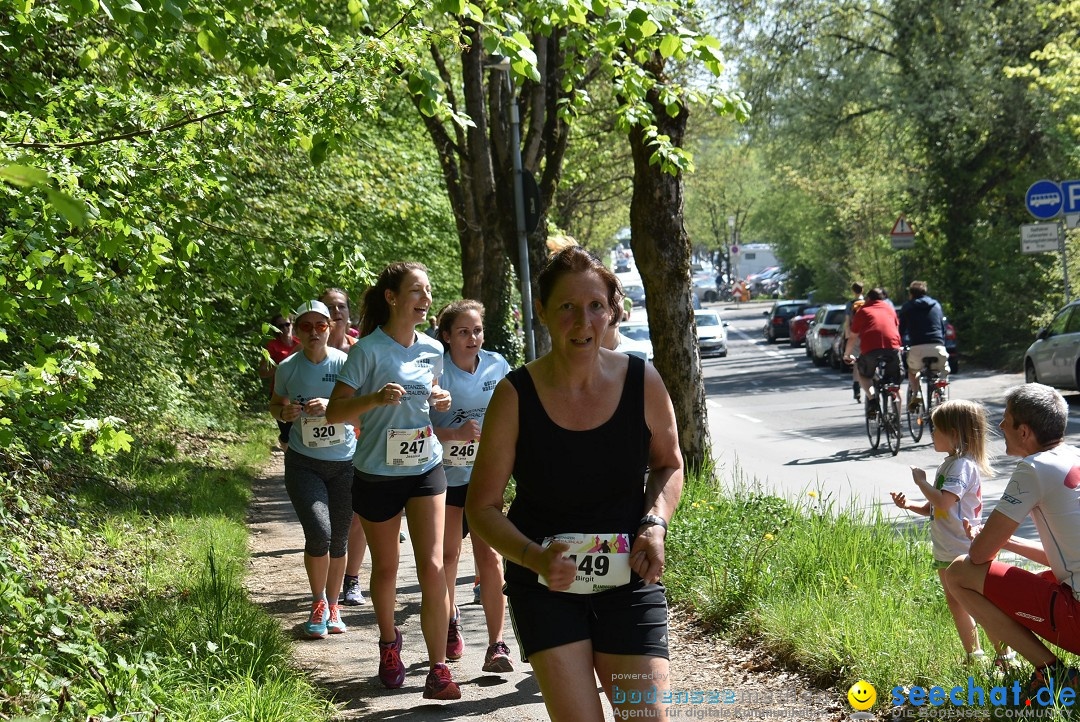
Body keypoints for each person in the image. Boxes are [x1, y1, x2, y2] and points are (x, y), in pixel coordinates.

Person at [467, 246, 684, 721]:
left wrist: (654, 524)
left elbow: (669, 464)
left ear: (611, 312)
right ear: (542, 311)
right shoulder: (514, 395)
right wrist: (533, 556)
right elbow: (480, 507)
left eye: (594, 306)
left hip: (628, 574)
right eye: (566, 306)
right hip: (545, 583)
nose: (582, 321)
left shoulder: (641, 380)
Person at [325, 262, 460, 700]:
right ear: (392, 297)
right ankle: (389, 643)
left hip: (425, 466)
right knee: (385, 567)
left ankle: (438, 668)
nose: (425, 299)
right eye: (417, 291)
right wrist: (374, 398)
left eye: (429, 291)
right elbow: (334, 413)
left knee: (433, 566)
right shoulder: (367, 351)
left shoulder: (432, 349)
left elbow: (429, 400)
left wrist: (441, 399)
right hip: (377, 473)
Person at [947, 384, 1080, 702]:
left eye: (1005, 419)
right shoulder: (1073, 456)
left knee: (959, 573)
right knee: (1042, 580)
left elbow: (979, 556)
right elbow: (1066, 558)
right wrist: (1009, 542)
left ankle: (1055, 674)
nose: (1000, 425)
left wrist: (989, 540)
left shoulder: (1034, 469)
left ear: (1024, 431)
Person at [890, 400, 1014, 668]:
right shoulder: (950, 464)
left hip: (965, 549)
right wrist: (910, 504)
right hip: (947, 549)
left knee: (980, 605)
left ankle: (1005, 656)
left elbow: (944, 502)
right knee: (957, 602)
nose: (931, 433)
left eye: (936, 428)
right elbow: (938, 506)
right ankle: (974, 656)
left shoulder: (961, 467)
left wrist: (921, 482)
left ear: (955, 433)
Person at [429, 300, 515, 673]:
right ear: (447, 336)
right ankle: (450, 619)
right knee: (448, 556)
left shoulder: (498, 366)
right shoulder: (435, 369)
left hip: (485, 478)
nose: (472, 338)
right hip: (444, 478)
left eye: (477, 330)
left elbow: (515, 414)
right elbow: (407, 424)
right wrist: (453, 433)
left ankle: (497, 644)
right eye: (463, 331)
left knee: (491, 559)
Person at [268, 300, 356, 639]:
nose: (314, 332)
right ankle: (318, 601)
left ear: (331, 327)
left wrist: (333, 407)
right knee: (320, 532)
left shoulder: (345, 363)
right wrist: (283, 414)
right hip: (304, 463)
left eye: (321, 325)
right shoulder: (288, 367)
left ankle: (334, 606)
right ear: (296, 331)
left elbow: (362, 411)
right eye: (306, 326)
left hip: (345, 463)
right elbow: (276, 403)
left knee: (340, 538)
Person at [320, 288, 368, 607]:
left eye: (341, 307)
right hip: (319, 448)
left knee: (357, 516)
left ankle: (351, 581)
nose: (336, 312)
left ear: (349, 314)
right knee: (329, 520)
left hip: (360, 441)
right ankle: (327, 582)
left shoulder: (360, 351)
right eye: (329, 307)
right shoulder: (309, 352)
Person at [843, 287, 902, 414]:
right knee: (894, 380)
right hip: (892, 348)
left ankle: (872, 398)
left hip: (870, 350)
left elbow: (853, 337)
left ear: (868, 299)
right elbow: (896, 330)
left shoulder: (863, 311)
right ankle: (897, 422)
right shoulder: (890, 309)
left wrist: (847, 354)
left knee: (864, 374)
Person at [898, 280, 949, 392]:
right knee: (942, 370)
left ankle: (916, 396)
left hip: (917, 348)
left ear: (911, 294)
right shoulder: (936, 305)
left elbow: (900, 330)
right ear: (925, 292)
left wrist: (898, 345)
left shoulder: (907, 307)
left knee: (913, 371)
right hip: (937, 346)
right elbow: (942, 327)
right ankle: (941, 394)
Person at [260, 314, 299, 450]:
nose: (284, 328)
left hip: (297, 392)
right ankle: (286, 448)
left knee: (299, 430)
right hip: (280, 393)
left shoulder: (299, 343)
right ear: (276, 329)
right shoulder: (271, 346)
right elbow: (263, 372)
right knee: (286, 433)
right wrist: (280, 367)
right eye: (280, 326)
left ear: (292, 325)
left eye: (287, 324)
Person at [843, 282, 865, 402]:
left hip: (855, 335)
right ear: (863, 290)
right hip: (867, 334)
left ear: (853, 291)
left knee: (856, 362)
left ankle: (857, 389)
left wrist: (848, 336)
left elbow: (847, 322)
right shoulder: (867, 303)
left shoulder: (850, 304)